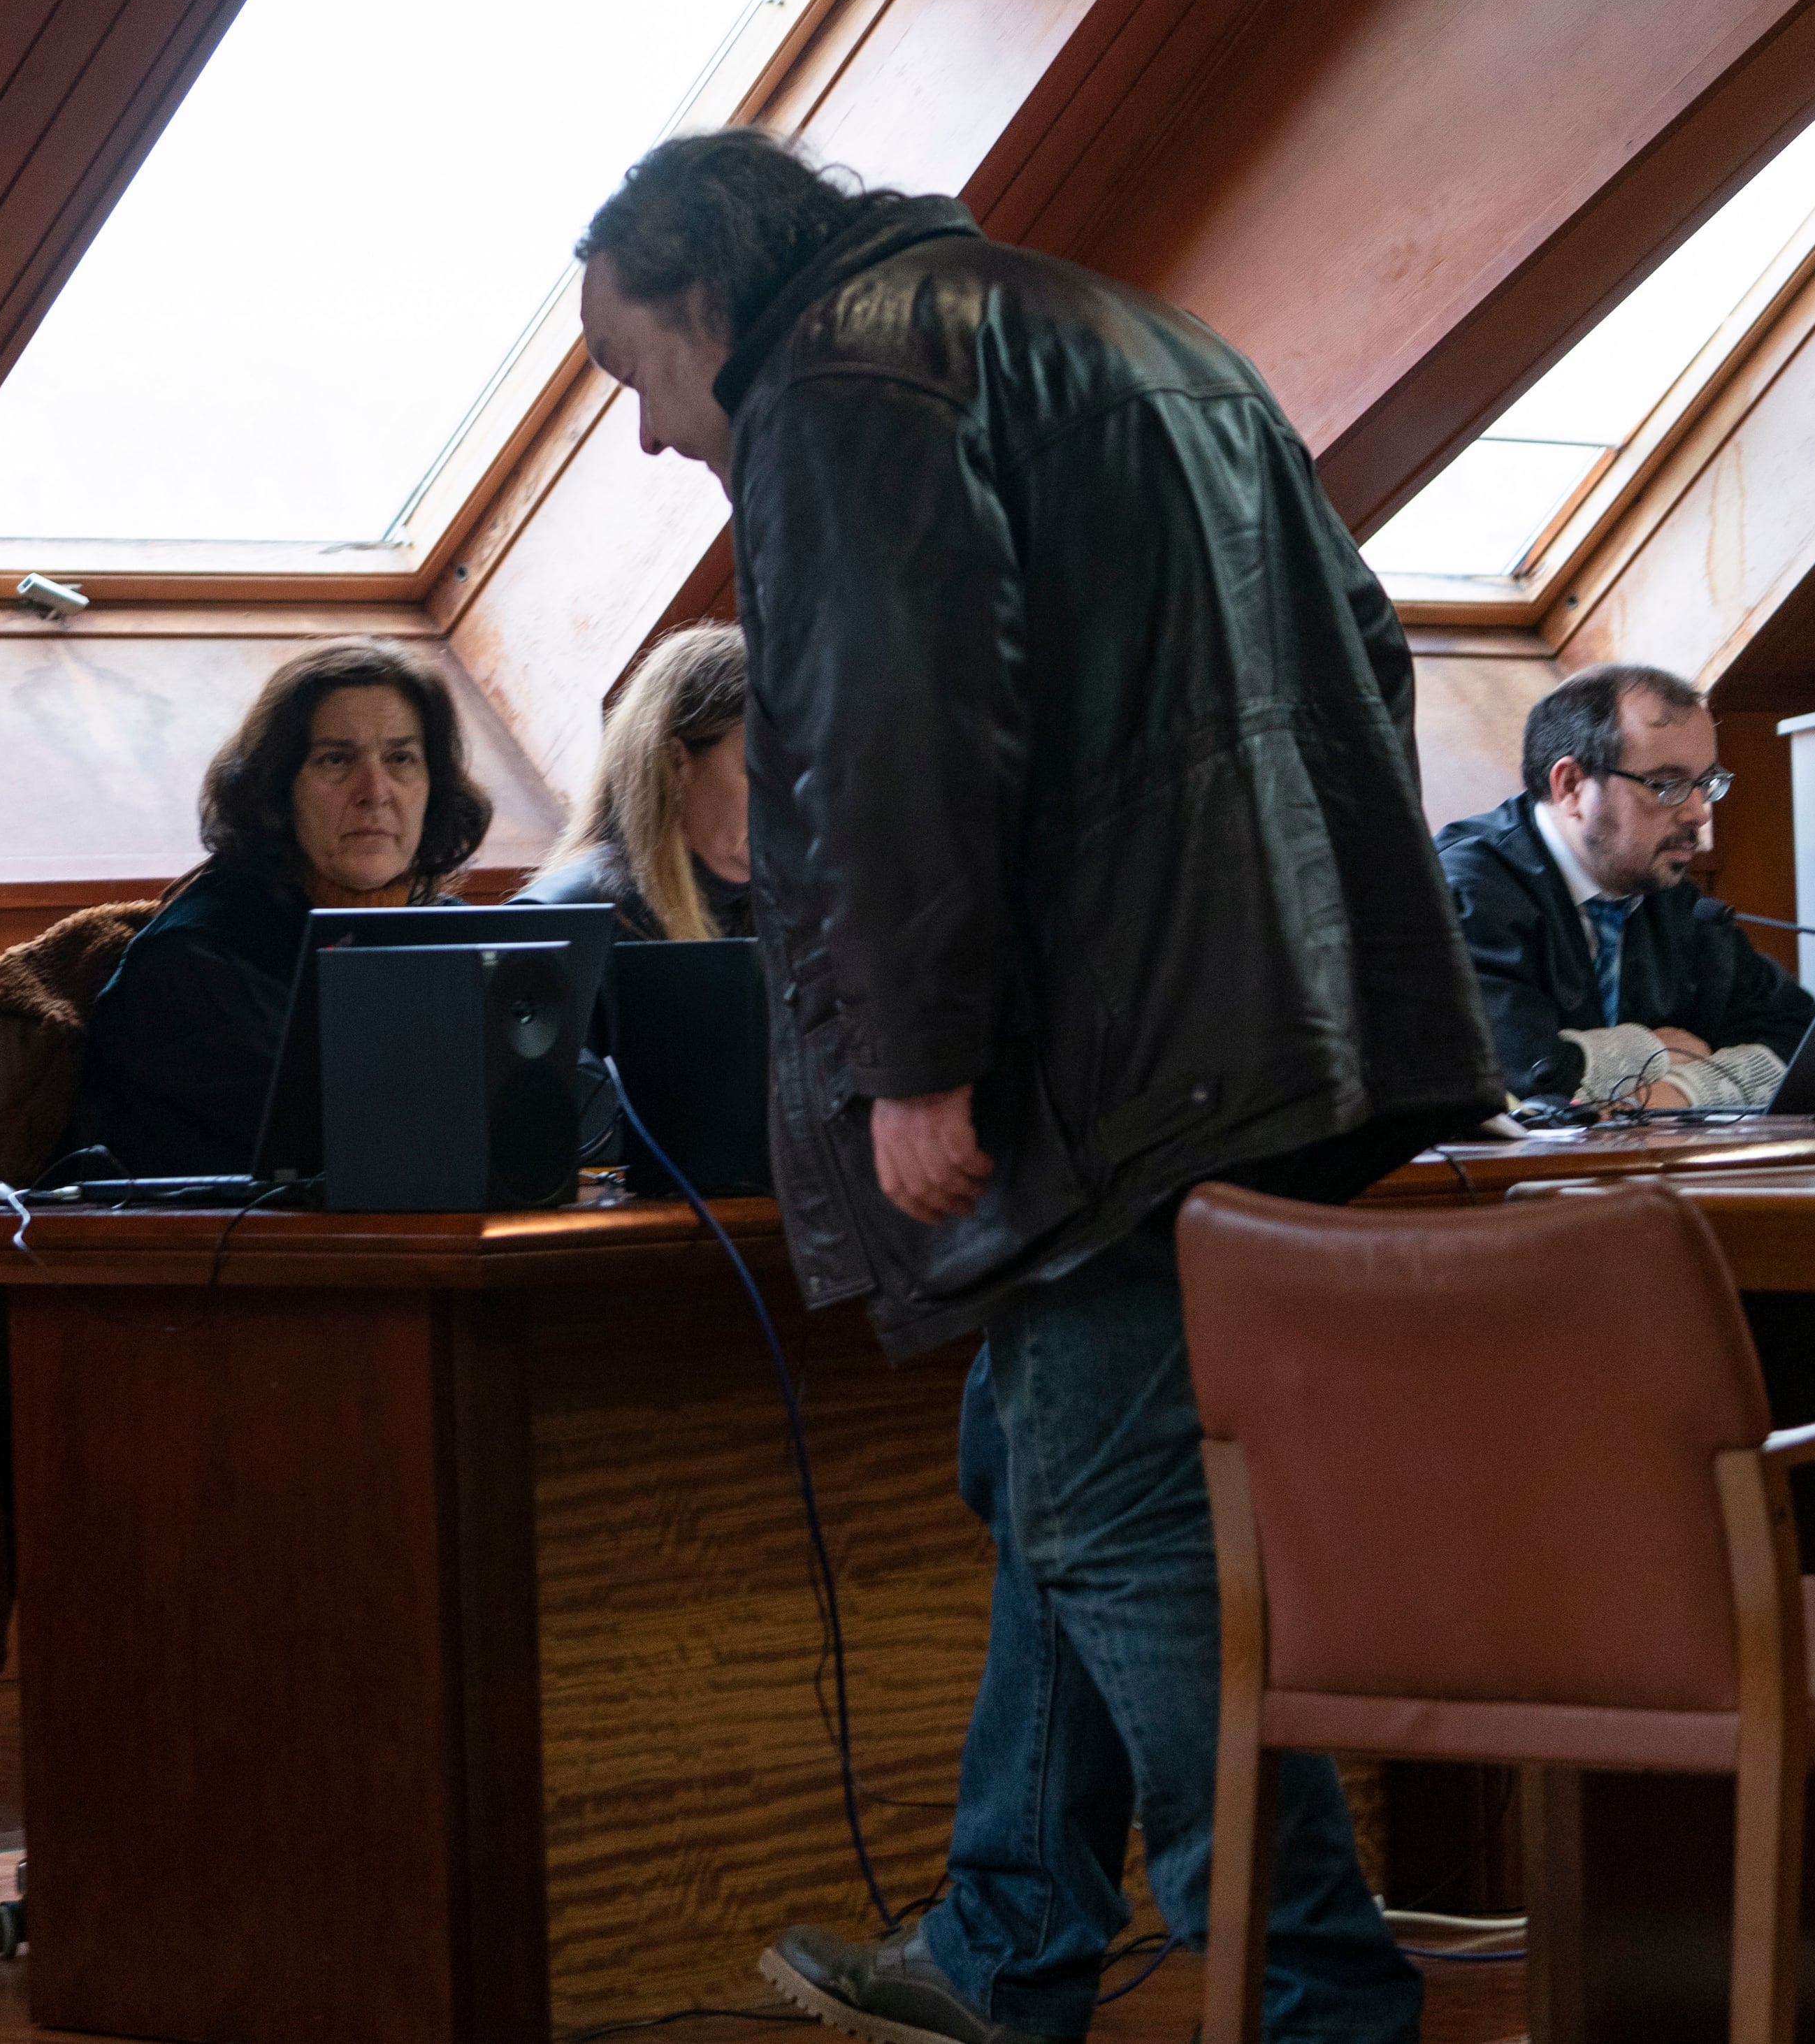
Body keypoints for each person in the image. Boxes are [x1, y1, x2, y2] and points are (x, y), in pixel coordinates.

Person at [574, 127, 1501, 2044]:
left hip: (1101, 1066)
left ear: (700, 294)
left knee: (1125, 1522)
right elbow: (1370, 651)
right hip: (1278, 1023)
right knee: (1051, 1462)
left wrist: (922, 1061)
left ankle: (1320, 1988)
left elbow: (897, 739)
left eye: (631, 375)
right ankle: (1010, 1934)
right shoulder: (1149, 335)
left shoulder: (837, 378)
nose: (655, 434)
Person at [72, 637, 491, 1175]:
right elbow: (356, 1143)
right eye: (335, 759)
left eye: (401, 758)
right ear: (276, 790)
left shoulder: (462, 937)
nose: (374, 790)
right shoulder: (196, 958)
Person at [1434, 664, 1814, 1110]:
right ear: (1571, 786)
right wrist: (1652, 1050)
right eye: (1667, 785)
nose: (1698, 813)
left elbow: (1798, 1036)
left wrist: (1672, 1093)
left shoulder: (1670, 897)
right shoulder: (1465, 890)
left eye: (1705, 784)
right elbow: (1518, 1072)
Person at [516, 621, 755, 941]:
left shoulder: (793, 910)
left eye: (801, 770)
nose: (793, 796)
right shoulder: (566, 919)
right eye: (759, 769)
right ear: (674, 761)